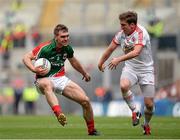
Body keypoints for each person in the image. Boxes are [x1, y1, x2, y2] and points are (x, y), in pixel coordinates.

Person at [22, 24, 99, 135]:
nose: (66, 38)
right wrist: (34, 69)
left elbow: (73, 61)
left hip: (60, 78)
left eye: (67, 36)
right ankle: (59, 114)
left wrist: (84, 73)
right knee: (48, 84)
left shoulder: (67, 48)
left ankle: (91, 130)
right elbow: (26, 57)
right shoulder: (45, 48)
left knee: (85, 101)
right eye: (63, 36)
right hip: (43, 79)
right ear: (56, 37)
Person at [98, 11, 155, 135]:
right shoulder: (121, 35)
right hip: (131, 68)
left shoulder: (141, 33)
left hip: (147, 71)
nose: (121, 27)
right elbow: (110, 49)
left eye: (123, 25)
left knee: (149, 105)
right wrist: (100, 62)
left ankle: (146, 124)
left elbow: (136, 52)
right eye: (121, 24)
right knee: (123, 86)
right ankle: (135, 111)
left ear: (132, 25)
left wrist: (118, 59)